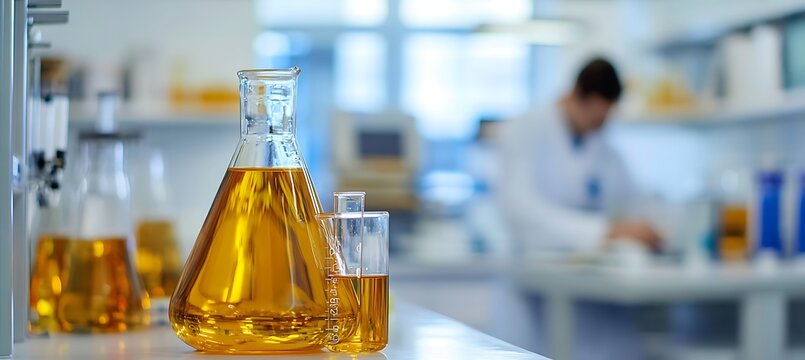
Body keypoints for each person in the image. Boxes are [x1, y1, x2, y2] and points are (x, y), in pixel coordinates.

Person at [500, 57, 660, 253]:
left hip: (585, 265)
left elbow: (631, 196)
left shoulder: (599, 140)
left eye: (602, 120)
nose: (597, 127)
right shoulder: (527, 128)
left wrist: (648, 226)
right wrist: (603, 231)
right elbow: (519, 209)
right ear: (576, 95)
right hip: (533, 263)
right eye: (593, 118)